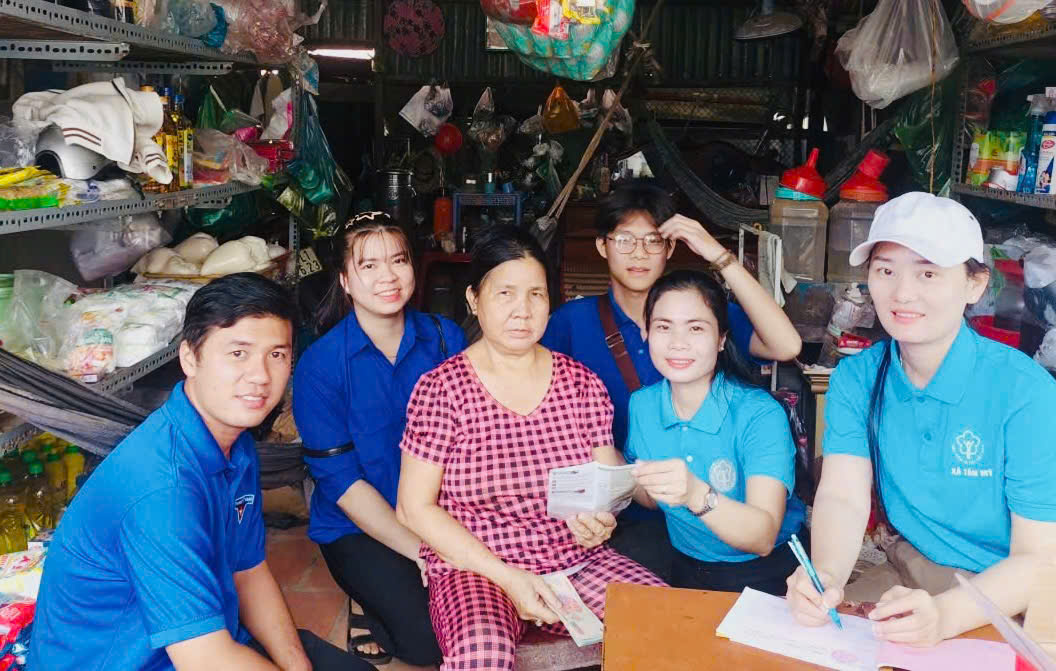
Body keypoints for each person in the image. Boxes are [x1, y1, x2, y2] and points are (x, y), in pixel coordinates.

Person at [786, 193, 1056, 647]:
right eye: (885, 270)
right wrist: (826, 577)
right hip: (927, 568)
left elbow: (1039, 561)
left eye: (928, 273)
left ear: (975, 285)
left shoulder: (1028, 398)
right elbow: (843, 496)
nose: (902, 293)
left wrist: (946, 617)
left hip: (1032, 592)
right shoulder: (859, 377)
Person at [29, 273, 373, 671]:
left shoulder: (234, 445)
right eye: (238, 353)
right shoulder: (162, 489)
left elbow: (248, 571)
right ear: (190, 358)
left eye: (277, 355)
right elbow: (206, 659)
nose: (261, 376)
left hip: (204, 641)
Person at [396, 226, 666, 671]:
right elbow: (414, 508)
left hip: (574, 561)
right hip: (477, 568)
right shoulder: (441, 389)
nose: (522, 310)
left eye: (536, 294)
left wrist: (600, 521)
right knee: (482, 653)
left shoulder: (581, 384)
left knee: (666, 622)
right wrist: (509, 578)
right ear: (473, 299)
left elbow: (606, 485)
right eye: (505, 293)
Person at [541, 180, 801, 579]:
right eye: (624, 239)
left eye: (653, 240)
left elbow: (786, 345)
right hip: (637, 510)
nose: (639, 253)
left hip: (722, 523)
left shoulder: (703, 311)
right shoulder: (570, 324)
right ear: (602, 246)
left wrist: (717, 254)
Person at [294, 211, 467, 667]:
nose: (387, 276)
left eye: (398, 260)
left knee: (474, 617)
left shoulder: (445, 340)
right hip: (360, 524)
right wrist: (426, 553)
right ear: (345, 280)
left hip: (441, 512)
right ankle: (364, 597)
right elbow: (343, 484)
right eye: (368, 265)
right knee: (430, 643)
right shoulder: (321, 365)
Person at [625, 270, 807, 596]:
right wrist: (608, 469)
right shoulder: (642, 405)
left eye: (696, 328)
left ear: (721, 339)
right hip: (686, 564)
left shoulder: (759, 413)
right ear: (646, 333)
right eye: (663, 327)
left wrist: (694, 493)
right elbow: (652, 498)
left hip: (770, 572)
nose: (678, 343)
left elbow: (762, 537)